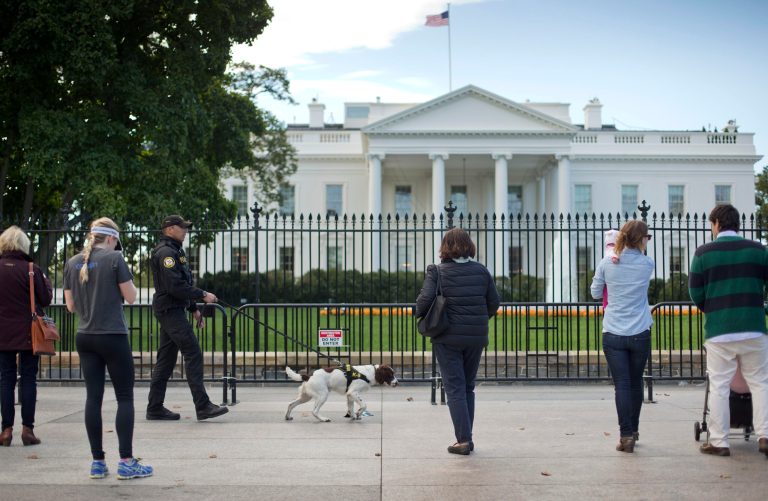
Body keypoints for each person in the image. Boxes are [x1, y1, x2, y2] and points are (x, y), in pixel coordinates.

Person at [63, 218, 153, 479]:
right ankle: (126, 461)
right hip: (112, 334)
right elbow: (131, 296)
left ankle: (98, 462)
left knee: (94, 398)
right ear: (112, 238)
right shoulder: (115, 260)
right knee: (124, 397)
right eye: (117, 242)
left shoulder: (72, 262)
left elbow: (70, 306)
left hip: (85, 335)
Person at [688, 204, 768, 457]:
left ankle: (720, 441)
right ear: (737, 224)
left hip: (720, 329)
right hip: (753, 326)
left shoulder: (703, 254)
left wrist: (712, 308)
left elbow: (695, 293)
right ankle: (765, 435)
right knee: (760, 383)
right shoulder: (758, 250)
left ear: (716, 224)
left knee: (720, 386)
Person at [414, 227, 500, 455]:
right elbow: (494, 303)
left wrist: (419, 311)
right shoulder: (482, 271)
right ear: (468, 245)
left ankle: (463, 440)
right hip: (476, 337)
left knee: (454, 388)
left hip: (447, 336)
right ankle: (467, 438)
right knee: (468, 387)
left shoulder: (437, 271)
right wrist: (476, 320)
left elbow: (423, 303)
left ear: (445, 247)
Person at [146, 215, 226, 421]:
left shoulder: (174, 251)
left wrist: (193, 309)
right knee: (193, 353)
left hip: (173, 309)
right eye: (182, 228)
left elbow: (181, 283)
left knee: (166, 360)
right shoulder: (166, 253)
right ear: (170, 229)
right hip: (170, 311)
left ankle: (154, 407)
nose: (186, 231)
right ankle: (203, 406)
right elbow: (174, 286)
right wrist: (202, 295)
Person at [590, 220, 654, 453]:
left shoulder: (607, 262)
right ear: (640, 239)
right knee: (636, 383)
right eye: (647, 237)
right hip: (640, 331)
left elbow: (595, 292)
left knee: (622, 385)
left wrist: (611, 271)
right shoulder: (648, 263)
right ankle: (634, 429)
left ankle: (625, 433)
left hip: (614, 331)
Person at [0, 226, 52, 447]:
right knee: (29, 378)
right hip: (30, 332)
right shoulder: (31, 269)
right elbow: (46, 298)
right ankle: (28, 430)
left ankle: (6, 430)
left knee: (5, 379)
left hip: (2, 332)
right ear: (24, 245)